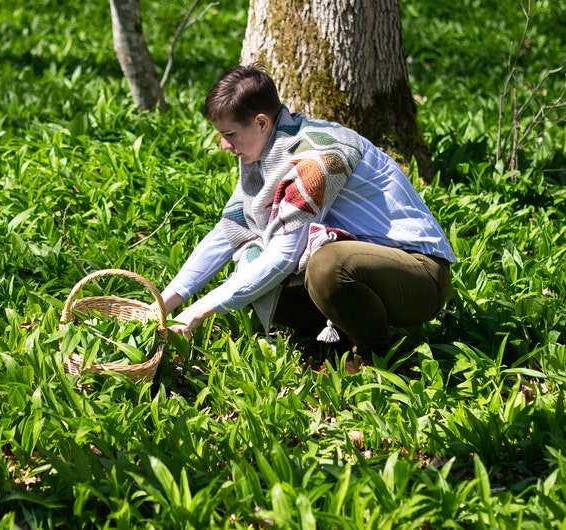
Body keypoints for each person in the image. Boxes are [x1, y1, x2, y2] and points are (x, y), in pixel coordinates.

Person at [156, 63, 457, 358]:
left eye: (230, 134)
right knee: (251, 273)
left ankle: (373, 354)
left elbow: (284, 255)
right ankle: (341, 340)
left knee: (328, 266)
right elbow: (230, 232)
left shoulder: (316, 159)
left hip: (421, 276)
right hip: (372, 268)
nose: (223, 145)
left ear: (261, 123)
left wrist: (198, 311)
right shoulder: (271, 154)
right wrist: (162, 305)